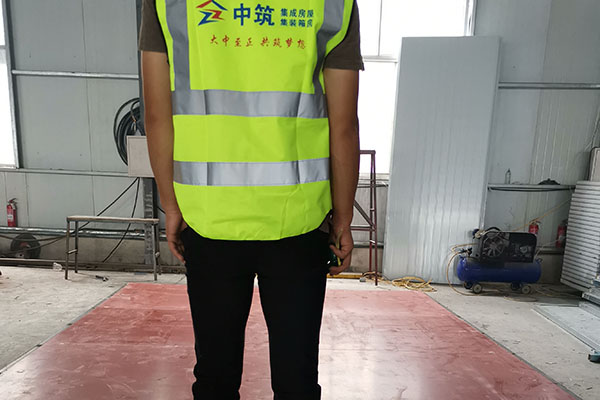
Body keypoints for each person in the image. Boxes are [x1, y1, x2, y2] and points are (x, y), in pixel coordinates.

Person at [139, 1, 362, 398]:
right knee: (297, 380)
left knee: (215, 377)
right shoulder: (333, 5)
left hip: (209, 218)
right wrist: (343, 219)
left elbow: (157, 116)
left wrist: (171, 206)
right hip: (298, 220)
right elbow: (343, 125)